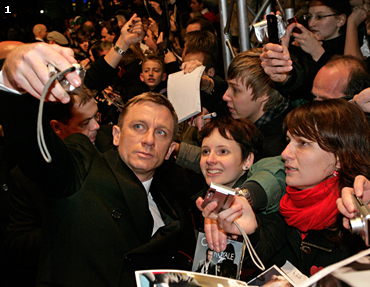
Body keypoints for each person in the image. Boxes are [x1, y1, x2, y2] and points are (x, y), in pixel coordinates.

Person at [0, 17, 199, 287]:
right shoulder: (82, 166)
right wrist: (12, 82)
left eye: (161, 132)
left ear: (169, 151)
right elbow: (37, 151)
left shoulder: (172, 200)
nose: (149, 140)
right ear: (116, 135)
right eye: (138, 126)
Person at [197, 99, 370, 277]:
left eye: (303, 143)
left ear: (340, 157)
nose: (285, 153)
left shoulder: (357, 210)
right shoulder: (286, 202)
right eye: (288, 141)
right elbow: (262, 254)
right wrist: (250, 232)